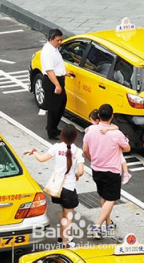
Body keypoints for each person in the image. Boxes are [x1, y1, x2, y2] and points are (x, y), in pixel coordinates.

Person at [24, 124, 84, 248]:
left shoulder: (56, 147)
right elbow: (81, 171)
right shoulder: (77, 152)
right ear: (75, 137)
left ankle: (62, 237)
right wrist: (76, 174)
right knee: (69, 215)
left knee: (63, 211)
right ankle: (65, 243)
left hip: (57, 189)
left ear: (62, 136)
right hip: (69, 188)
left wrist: (34, 152)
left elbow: (41, 159)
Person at [83, 104, 131, 239]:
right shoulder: (116, 133)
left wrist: (92, 159)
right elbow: (127, 148)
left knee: (104, 196)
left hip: (96, 169)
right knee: (112, 198)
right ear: (112, 117)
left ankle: (108, 223)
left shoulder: (90, 130)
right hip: (112, 171)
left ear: (98, 116)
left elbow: (85, 150)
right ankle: (97, 226)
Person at [40, 29, 74, 140]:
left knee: (61, 103)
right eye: (58, 40)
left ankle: (53, 127)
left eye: (61, 40)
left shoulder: (54, 49)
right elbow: (50, 71)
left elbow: (56, 66)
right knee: (54, 107)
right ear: (51, 39)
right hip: (52, 81)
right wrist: (57, 85)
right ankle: (51, 131)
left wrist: (64, 73)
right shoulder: (48, 52)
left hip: (57, 78)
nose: (60, 42)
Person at [87, 109, 131, 185]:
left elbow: (116, 127)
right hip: (110, 153)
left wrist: (107, 129)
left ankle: (126, 173)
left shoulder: (107, 127)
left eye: (92, 121)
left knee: (121, 158)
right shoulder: (95, 128)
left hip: (110, 155)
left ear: (98, 119)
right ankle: (126, 173)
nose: (92, 123)